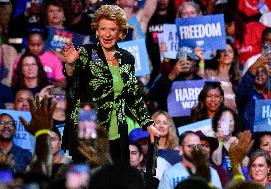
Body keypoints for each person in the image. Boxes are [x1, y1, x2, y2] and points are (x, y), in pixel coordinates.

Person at [62, 5, 160, 162]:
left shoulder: (127, 58)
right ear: (96, 31)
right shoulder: (86, 53)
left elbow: (134, 96)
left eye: (112, 29)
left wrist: (148, 123)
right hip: (89, 128)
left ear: (120, 33)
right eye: (103, 29)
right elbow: (72, 79)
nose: (107, 34)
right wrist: (69, 64)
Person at [157, 131, 222, 189]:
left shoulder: (211, 172)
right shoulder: (169, 173)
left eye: (198, 146)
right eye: (190, 146)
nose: (195, 149)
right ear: (181, 149)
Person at [203, 40, 241, 112]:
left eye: (230, 51)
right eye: (223, 51)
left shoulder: (238, 80)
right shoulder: (208, 73)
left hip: (232, 120)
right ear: (218, 56)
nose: (226, 54)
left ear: (234, 58)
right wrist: (202, 60)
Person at [236, 65, 271, 131]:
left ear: (268, 76)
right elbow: (242, 90)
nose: (260, 74)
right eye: (257, 72)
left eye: (263, 72)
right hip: (249, 135)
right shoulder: (246, 94)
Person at [211, 107, 243, 186]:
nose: (227, 123)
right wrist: (220, 141)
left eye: (230, 120)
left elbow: (247, 164)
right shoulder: (211, 142)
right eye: (224, 120)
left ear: (234, 123)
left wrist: (239, 148)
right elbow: (217, 162)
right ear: (218, 122)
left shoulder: (239, 141)